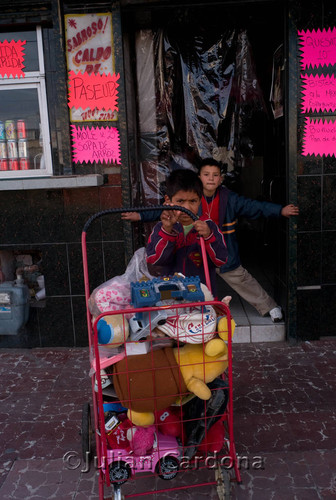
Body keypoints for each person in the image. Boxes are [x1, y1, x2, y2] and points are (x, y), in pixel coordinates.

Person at [198, 158, 299, 322]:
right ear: (199, 177)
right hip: (198, 254)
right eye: (206, 174)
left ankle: (270, 307)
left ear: (221, 179)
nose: (210, 178)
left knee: (242, 279)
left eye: (215, 175)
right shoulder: (192, 197)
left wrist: (280, 210)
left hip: (222, 252)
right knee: (189, 284)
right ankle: (188, 317)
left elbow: (254, 206)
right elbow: (172, 211)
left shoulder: (228, 198)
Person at [145, 169, 227, 297]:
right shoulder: (162, 228)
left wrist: (208, 236)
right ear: (168, 200)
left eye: (193, 201)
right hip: (171, 297)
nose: (187, 208)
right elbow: (154, 259)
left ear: (200, 201)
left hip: (202, 296)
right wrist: (167, 231)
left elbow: (221, 260)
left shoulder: (209, 226)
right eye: (180, 201)